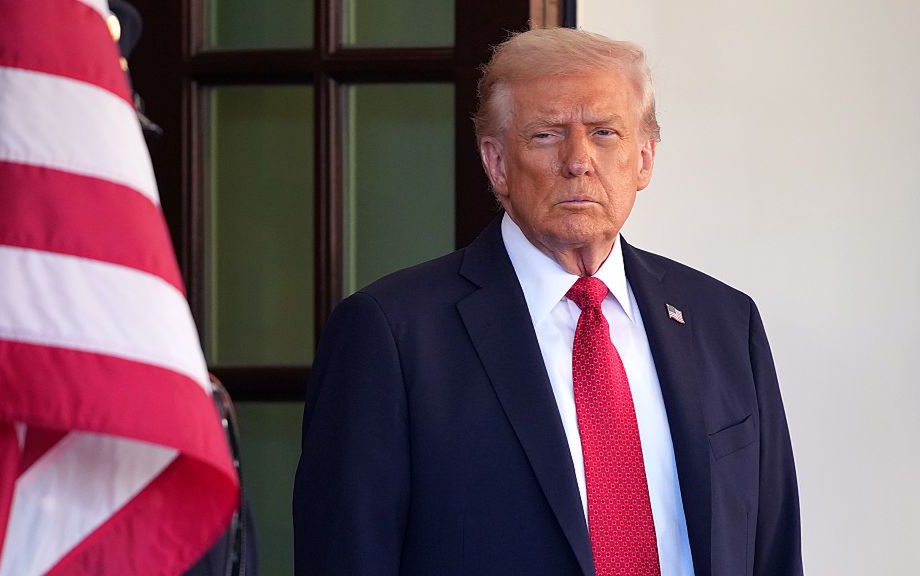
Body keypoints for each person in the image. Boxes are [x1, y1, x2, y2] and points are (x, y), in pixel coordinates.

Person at [294, 28, 801, 576]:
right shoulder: (391, 332)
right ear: (497, 164)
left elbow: (770, 546)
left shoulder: (724, 321)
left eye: (605, 132)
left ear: (645, 159)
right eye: (545, 135)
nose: (578, 160)